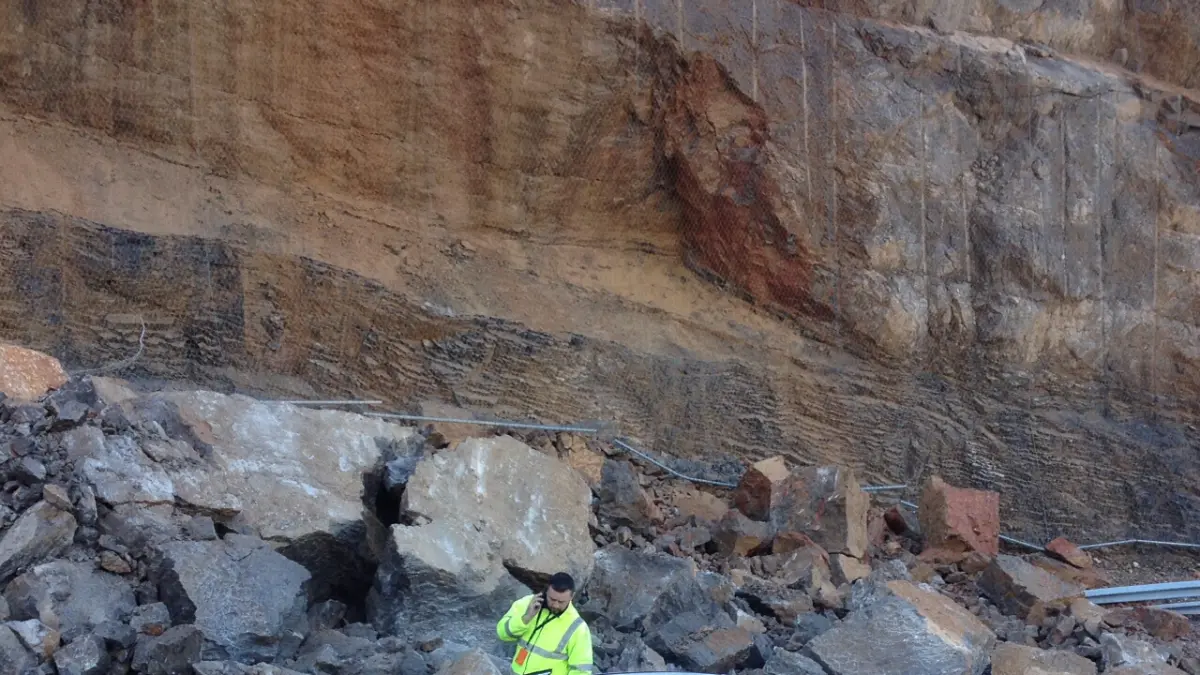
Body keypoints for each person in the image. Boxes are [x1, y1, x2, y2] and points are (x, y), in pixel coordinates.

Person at [496, 572, 594, 675]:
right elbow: (502, 634)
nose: (555, 605)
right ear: (547, 590)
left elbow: (582, 671)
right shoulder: (527, 604)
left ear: (572, 596)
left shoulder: (578, 627)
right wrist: (526, 618)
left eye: (561, 602)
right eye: (552, 599)